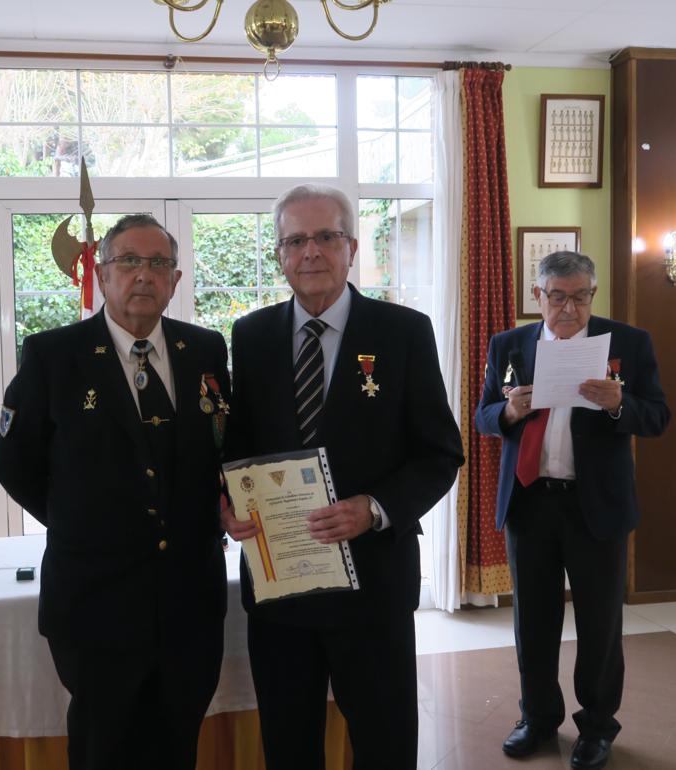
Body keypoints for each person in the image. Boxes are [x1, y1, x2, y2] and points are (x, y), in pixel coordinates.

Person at [222, 184, 463, 769]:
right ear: (280, 255)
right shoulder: (250, 336)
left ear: (352, 247)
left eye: (326, 236)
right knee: (288, 746)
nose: (311, 252)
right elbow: (238, 447)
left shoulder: (403, 332)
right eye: (295, 240)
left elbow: (440, 453)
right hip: (281, 589)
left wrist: (373, 508)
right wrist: (227, 502)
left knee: (384, 745)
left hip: (372, 586)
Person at [0, 214, 231, 770]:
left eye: (158, 263)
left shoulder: (204, 349)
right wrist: (79, 521)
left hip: (190, 604)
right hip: (95, 605)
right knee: (103, 749)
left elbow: (221, 447)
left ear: (175, 279)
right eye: (128, 261)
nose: (143, 275)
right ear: (101, 274)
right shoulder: (54, 355)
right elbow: (13, 463)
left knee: (177, 747)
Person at [474, 251, 669, 770]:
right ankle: (537, 718)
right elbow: (482, 416)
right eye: (558, 296)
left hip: (595, 507)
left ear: (593, 295)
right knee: (532, 622)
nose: (569, 308)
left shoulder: (627, 343)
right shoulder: (509, 344)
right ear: (537, 295)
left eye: (580, 297)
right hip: (530, 503)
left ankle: (598, 727)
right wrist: (508, 410)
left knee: (600, 625)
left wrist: (618, 404)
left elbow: (657, 416)